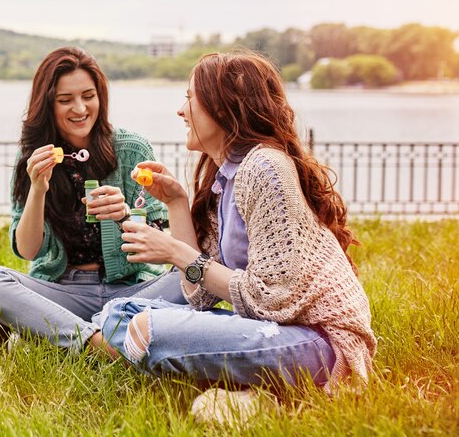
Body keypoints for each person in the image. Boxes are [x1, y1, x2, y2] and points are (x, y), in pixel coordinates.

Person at [95, 50, 376, 421]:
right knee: (119, 314)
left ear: (223, 108)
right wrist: (177, 202)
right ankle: (251, 390)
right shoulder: (225, 178)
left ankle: (264, 397)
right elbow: (200, 294)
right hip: (271, 329)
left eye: (189, 98)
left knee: (147, 328)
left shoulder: (266, 168)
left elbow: (272, 300)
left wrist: (175, 252)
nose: (181, 111)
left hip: (320, 343)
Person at [0, 46, 185, 351]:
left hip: (133, 290)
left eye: (88, 96)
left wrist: (124, 216)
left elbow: (161, 247)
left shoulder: (132, 149)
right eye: (65, 100)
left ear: (101, 97)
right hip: (63, 290)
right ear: (48, 105)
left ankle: (57, 330)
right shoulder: (33, 157)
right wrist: (38, 189)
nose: (80, 109)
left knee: (197, 274)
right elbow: (28, 251)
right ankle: (98, 340)